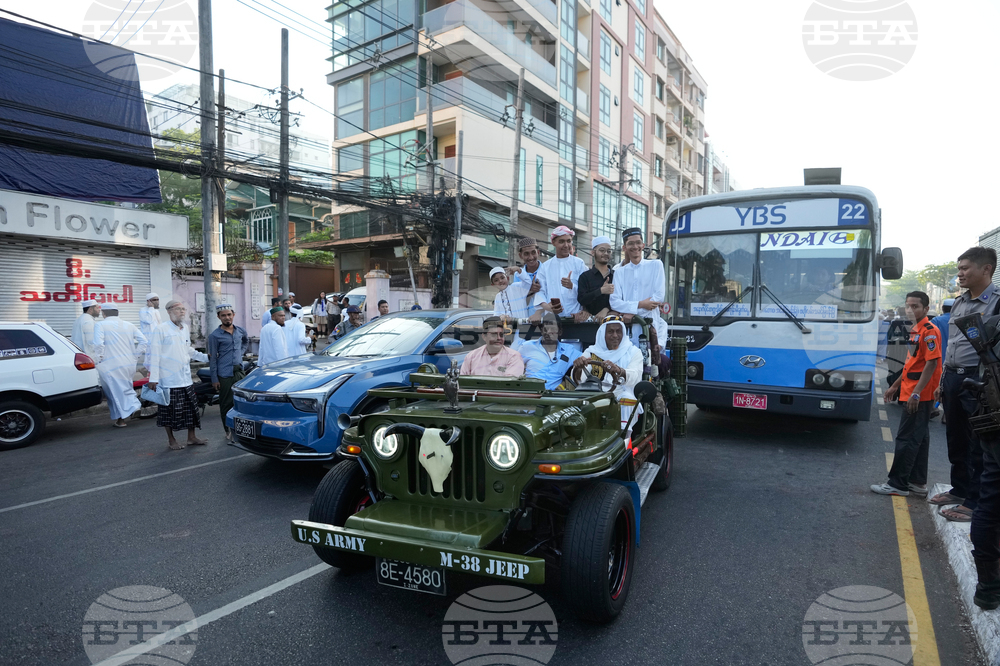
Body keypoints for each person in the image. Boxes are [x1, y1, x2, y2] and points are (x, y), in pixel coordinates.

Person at [931, 247, 1000, 522]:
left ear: (986, 269)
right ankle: (959, 489)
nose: (959, 274)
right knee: (955, 439)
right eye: (959, 268)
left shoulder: (997, 302)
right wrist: (943, 379)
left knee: (978, 444)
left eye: (965, 268)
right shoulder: (959, 302)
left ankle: (973, 502)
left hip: (980, 380)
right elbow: (955, 344)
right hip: (953, 376)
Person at [870, 291, 942, 497]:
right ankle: (917, 482)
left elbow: (932, 363)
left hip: (919, 394)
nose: (910, 310)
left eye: (915, 306)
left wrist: (917, 393)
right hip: (911, 391)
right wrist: (895, 386)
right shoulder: (916, 330)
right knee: (919, 437)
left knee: (906, 438)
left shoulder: (929, 331)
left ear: (926, 309)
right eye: (907, 306)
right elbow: (912, 363)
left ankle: (898, 484)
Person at [147, 300, 210, 449]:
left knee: (191, 410)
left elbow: (188, 349)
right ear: (169, 311)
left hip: (185, 378)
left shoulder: (185, 328)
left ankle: (191, 437)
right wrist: (153, 378)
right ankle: (172, 440)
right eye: (178, 309)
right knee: (168, 412)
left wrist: (206, 357)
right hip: (168, 380)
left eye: (183, 309)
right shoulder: (160, 329)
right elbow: (154, 355)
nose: (182, 312)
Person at [572, 314, 644, 427]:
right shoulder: (591, 352)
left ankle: (623, 438)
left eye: (618, 331)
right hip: (594, 395)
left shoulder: (634, 352)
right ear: (603, 334)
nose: (615, 335)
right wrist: (579, 367)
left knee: (627, 399)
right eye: (610, 332)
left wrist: (619, 370)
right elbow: (579, 379)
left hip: (619, 394)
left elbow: (635, 377)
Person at [610, 227, 669, 345]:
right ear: (624, 247)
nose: (635, 246)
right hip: (627, 331)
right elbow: (614, 302)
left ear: (643, 245)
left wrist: (633, 313)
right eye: (630, 243)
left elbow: (658, 297)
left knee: (650, 361)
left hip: (650, 327)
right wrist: (641, 304)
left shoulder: (656, 265)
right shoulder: (619, 272)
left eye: (638, 243)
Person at [93, 307, 146, 428]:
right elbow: (144, 341)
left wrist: (99, 358)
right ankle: (132, 406)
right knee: (125, 387)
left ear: (104, 313)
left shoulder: (100, 325)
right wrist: (135, 356)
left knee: (114, 392)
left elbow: (98, 344)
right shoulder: (129, 325)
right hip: (128, 363)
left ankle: (126, 415)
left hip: (110, 364)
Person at [207, 303, 250, 441]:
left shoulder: (240, 331)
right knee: (226, 403)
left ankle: (242, 430)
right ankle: (228, 431)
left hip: (239, 372)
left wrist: (240, 353)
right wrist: (214, 379)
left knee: (242, 401)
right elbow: (212, 359)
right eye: (223, 315)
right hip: (224, 374)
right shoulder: (215, 336)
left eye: (229, 314)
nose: (227, 318)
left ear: (233, 315)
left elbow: (245, 342)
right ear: (219, 317)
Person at [531, 225, 589, 321]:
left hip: (575, 318)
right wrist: (547, 307)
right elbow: (541, 291)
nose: (566, 245)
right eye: (561, 241)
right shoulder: (546, 266)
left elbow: (586, 290)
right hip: (552, 320)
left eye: (568, 241)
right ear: (553, 242)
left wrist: (572, 286)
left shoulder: (579, 263)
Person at [519, 313, 581, 390]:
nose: (548, 332)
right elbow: (513, 363)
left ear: (560, 331)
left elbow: (588, 361)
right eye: (546, 329)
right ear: (541, 331)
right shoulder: (527, 346)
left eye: (553, 329)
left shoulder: (569, 350)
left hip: (555, 397)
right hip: (531, 394)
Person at [460, 316, 525, 377]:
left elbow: (509, 386)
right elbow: (462, 385)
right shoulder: (472, 357)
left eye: (501, 335)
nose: (499, 338)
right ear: (484, 336)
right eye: (494, 334)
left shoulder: (514, 357)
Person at [577, 236, 615, 321]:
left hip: (614, 324)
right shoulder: (585, 276)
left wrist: (606, 309)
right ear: (593, 252)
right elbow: (582, 299)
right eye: (602, 250)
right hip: (590, 324)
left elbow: (622, 299)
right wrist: (600, 291)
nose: (606, 253)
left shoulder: (616, 275)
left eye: (609, 251)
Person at [930, 298, 954, 421]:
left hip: (938, 358)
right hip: (954, 359)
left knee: (936, 384)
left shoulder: (936, 320)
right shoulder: (960, 321)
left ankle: (933, 407)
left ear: (943, 308)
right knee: (950, 386)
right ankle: (946, 414)